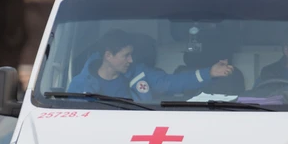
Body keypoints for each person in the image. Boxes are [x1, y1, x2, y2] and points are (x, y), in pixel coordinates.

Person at [67, 29, 234, 101]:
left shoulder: (139, 73)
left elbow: (172, 83)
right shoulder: (80, 84)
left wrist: (209, 72)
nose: (131, 60)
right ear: (108, 56)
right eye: (126, 56)